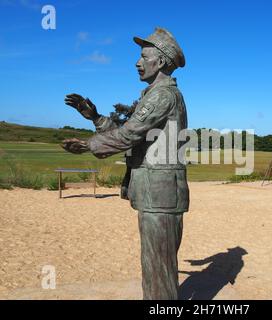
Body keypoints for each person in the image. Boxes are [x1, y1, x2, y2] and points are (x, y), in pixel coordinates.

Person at [61, 27, 189, 300]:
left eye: (144, 57)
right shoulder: (152, 94)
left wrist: (88, 145)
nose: (137, 62)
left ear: (162, 61)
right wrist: (95, 117)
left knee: (159, 268)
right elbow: (131, 131)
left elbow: (129, 134)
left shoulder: (163, 95)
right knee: (154, 265)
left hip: (161, 194)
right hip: (155, 194)